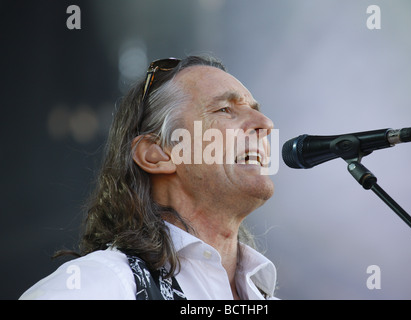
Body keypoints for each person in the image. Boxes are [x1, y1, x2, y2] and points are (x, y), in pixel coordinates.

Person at [20, 55, 277, 300]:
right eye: (224, 109)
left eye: (255, 110)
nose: (265, 123)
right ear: (156, 155)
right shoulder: (105, 283)